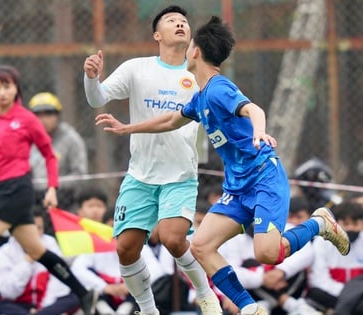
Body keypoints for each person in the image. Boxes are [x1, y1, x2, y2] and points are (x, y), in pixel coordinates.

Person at [94, 16, 350, 315]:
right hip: (237, 187)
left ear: (196, 53)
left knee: (268, 252)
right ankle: (248, 308)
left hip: (263, 177)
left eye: (190, 45)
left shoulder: (218, 89)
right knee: (201, 246)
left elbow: (252, 108)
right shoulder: (200, 96)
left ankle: (319, 223)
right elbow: (170, 120)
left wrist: (258, 130)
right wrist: (128, 128)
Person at [83, 5, 222, 315]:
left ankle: (205, 293)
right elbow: (98, 98)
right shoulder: (137, 68)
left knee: (173, 239)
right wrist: (91, 78)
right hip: (140, 177)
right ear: (157, 34)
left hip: (180, 176)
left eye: (185, 21)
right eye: (172, 21)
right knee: (125, 248)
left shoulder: (199, 75)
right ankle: (147, 309)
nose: (180, 24)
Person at [0, 64, 96, 315]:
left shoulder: (26, 119)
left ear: (16, 89)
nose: (1, 93)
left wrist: (52, 188)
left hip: (18, 190)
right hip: (1, 191)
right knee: (37, 250)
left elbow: (49, 155)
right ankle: (83, 293)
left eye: (7, 86)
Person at [0, 208, 78, 315]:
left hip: (47, 306)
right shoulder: (4, 252)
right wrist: (27, 262)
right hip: (18, 304)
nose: (35, 233)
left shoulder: (50, 243)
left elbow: (59, 281)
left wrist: (42, 308)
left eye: (39, 228)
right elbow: (9, 292)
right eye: (30, 228)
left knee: (74, 298)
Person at [307, 201, 363, 313]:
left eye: (355, 224)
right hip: (333, 296)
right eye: (346, 224)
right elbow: (319, 280)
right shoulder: (322, 243)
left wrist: (356, 293)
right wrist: (348, 294)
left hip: (362, 296)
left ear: (362, 223)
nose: (350, 228)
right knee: (315, 294)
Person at [28, 92, 88, 210]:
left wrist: (52, 184)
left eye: (49, 114)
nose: (43, 119)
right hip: (32, 197)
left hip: (64, 197)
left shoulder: (71, 138)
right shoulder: (27, 139)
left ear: (57, 116)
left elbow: (80, 175)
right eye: (38, 115)